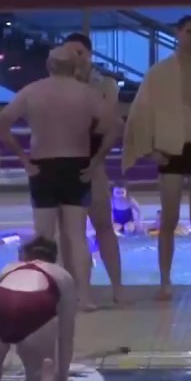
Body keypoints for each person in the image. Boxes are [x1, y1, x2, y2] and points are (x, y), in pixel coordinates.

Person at [0, 45, 119, 310]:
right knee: (77, 236)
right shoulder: (87, 94)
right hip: (77, 166)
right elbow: (116, 127)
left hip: (42, 167)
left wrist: (24, 160)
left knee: (44, 237)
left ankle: (43, 295)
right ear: (74, 67)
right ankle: (85, 296)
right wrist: (95, 161)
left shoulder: (32, 92)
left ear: (48, 66)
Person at [122, 15, 191, 300]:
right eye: (190, 32)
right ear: (177, 33)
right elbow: (141, 113)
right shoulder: (159, 73)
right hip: (170, 150)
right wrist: (150, 149)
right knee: (168, 220)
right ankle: (165, 281)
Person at [62, 33, 125, 306]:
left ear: (89, 55)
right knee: (69, 232)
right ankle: (75, 289)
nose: (75, 58)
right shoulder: (57, 84)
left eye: (80, 52)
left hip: (93, 161)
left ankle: (117, 287)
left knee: (103, 226)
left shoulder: (106, 85)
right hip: (63, 160)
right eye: (70, 53)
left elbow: (108, 124)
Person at [0, 236, 76, 381]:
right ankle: (44, 377)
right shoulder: (62, 275)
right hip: (36, 312)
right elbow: (66, 334)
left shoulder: (8, 268)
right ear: (54, 259)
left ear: (22, 256)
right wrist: (61, 377)